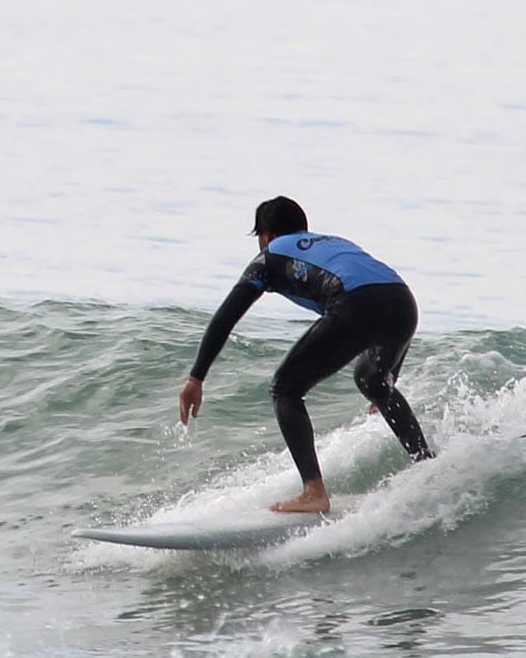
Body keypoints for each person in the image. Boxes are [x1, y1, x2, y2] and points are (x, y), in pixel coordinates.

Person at [178, 195, 433, 513]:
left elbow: (226, 317)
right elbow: (382, 295)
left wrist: (196, 377)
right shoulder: (333, 243)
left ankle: (314, 492)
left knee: (285, 388)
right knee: (373, 381)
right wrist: (387, 376)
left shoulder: (269, 257)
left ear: (266, 235)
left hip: (356, 302)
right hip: (403, 302)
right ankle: (426, 465)